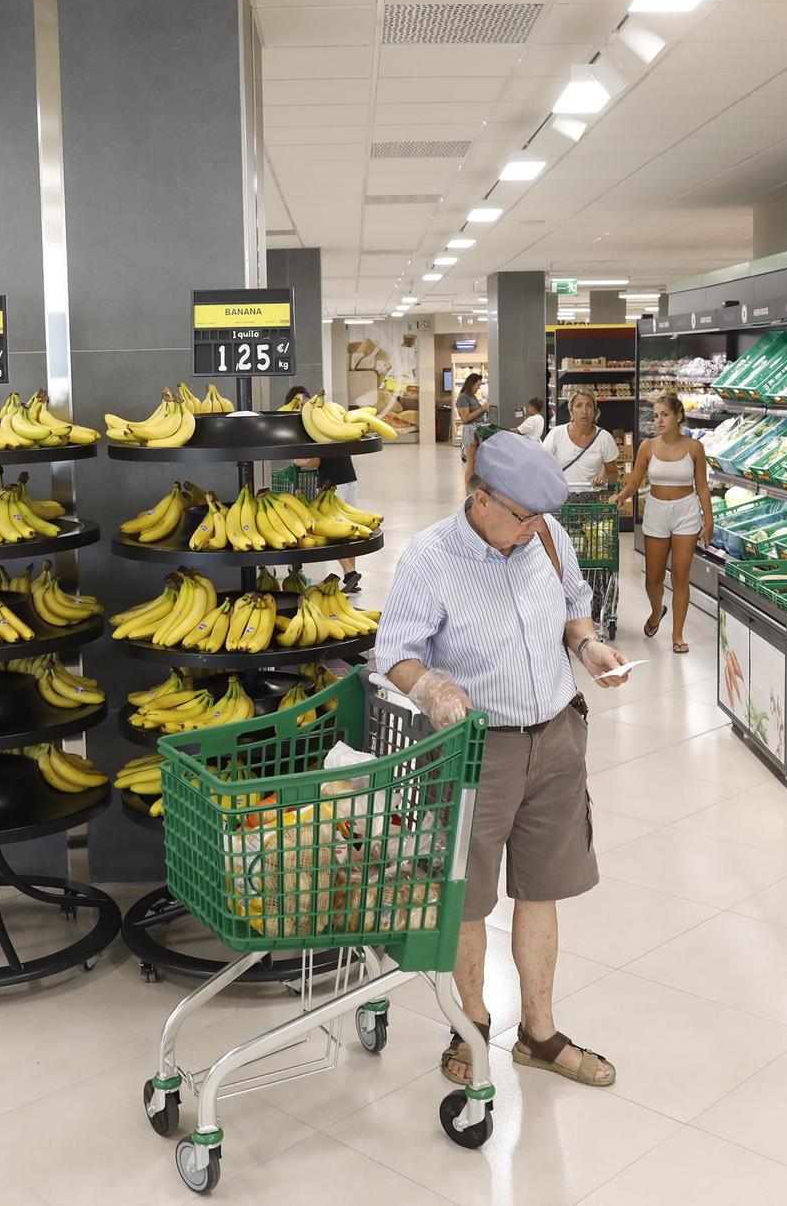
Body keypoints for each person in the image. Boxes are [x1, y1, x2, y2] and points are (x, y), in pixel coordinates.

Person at [375, 431, 629, 1090]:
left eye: (536, 518)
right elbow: (394, 651)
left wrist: (588, 644)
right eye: (518, 516)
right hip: (478, 750)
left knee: (542, 886)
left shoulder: (545, 536)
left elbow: (575, 603)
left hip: (557, 735)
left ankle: (539, 1033)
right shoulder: (430, 558)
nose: (529, 529)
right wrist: (430, 686)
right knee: (467, 897)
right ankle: (473, 1023)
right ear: (478, 496)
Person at [615, 393, 714, 654]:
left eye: (664, 414)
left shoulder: (694, 448)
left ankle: (677, 635)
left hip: (686, 512)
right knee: (654, 578)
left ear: (679, 416)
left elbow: (702, 487)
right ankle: (657, 610)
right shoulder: (647, 447)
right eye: (656, 415)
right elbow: (635, 482)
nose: (658, 420)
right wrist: (621, 496)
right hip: (656, 511)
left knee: (681, 577)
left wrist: (709, 520)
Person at [285, 385, 361, 592]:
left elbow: (316, 460)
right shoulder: (325, 421)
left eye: (304, 403)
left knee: (331, 529)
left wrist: (300, 461)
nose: (303, 408)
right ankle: (351, 577)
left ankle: (349, 572)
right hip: (349, 478)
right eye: (299, 404)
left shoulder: (313, 426)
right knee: (349, 530)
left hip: (332, 485)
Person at [542, 391, 620, 490]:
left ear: (594, 411)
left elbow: (613, 473)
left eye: (589, 406)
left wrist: (604, 479)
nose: (584, 411)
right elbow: (542, 465)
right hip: (562, 498)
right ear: (571, 411)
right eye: (579, 405)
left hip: (592, 500)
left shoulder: (604, 438)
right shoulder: (557, 434)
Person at [454, 371, 493, 460]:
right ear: (471, 384)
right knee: (471, 464)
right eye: (477, 385)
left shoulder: (472, 396)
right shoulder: (463, 397)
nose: (478, 388)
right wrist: (482, 409)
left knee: (477, 464)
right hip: (470, 432)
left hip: (475, 432)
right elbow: (465, 418)